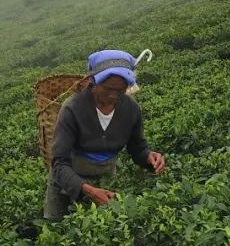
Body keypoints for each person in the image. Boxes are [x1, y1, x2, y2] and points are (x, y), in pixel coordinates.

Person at [44, 50, 166, 221]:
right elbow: (59, 163)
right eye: (107, 88)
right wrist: (89, 190)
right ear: (93, 82)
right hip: (68, 180)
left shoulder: (131, 108)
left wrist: (148, 157)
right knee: (60, 230)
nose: (113, 95)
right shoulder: (72, 109)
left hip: (105, 180)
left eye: (120, 89)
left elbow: (137, 147)